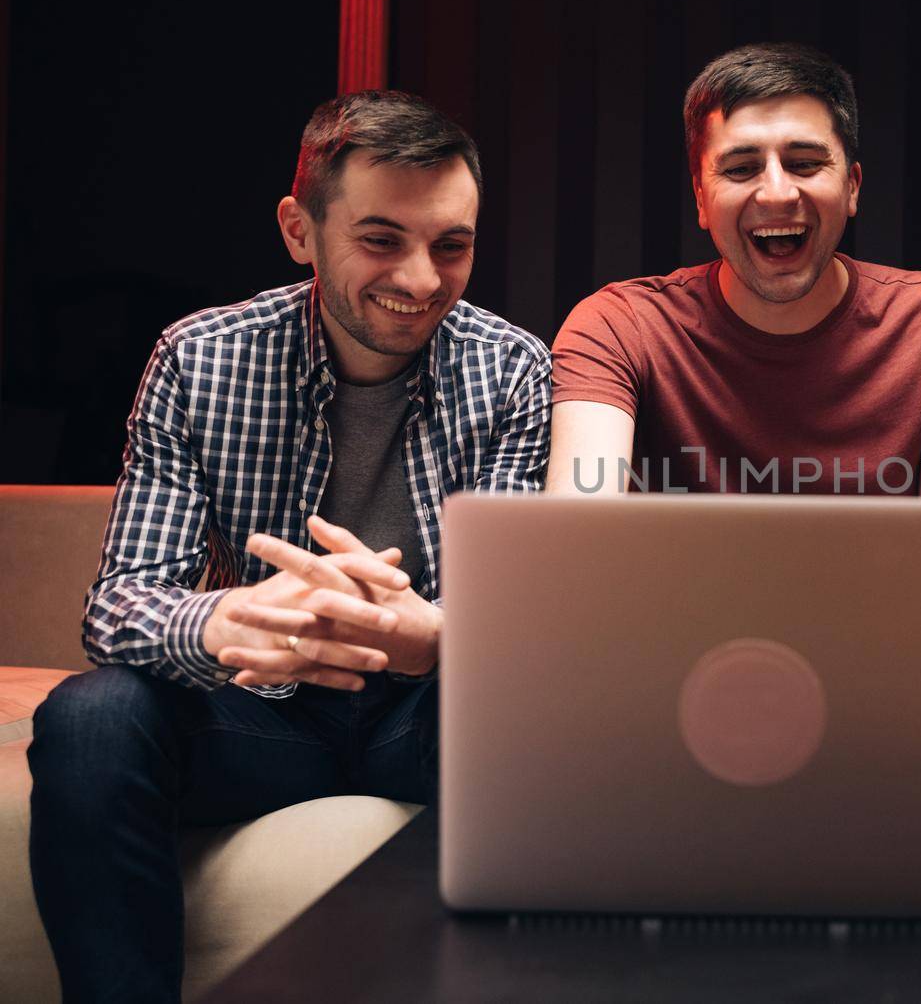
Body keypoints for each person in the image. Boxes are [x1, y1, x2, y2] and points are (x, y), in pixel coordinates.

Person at [28, 91, 551, 1002]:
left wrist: (433, 634)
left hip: (422, 718)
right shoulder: (201, 356)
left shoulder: (513, 370)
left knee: (540, 717)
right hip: (259, 712)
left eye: (452, 244)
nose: (422, 279)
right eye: (382, 239)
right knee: (89, 714)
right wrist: (226, 619)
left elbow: (525, 633)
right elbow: (119, 602)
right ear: (299, 229)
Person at [548, 42, 921, 497]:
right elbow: (580, 535)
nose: (777, 194)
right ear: (701, 199)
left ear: (852, 187)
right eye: (742, 168)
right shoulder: (619, 326)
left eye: (804, 163)